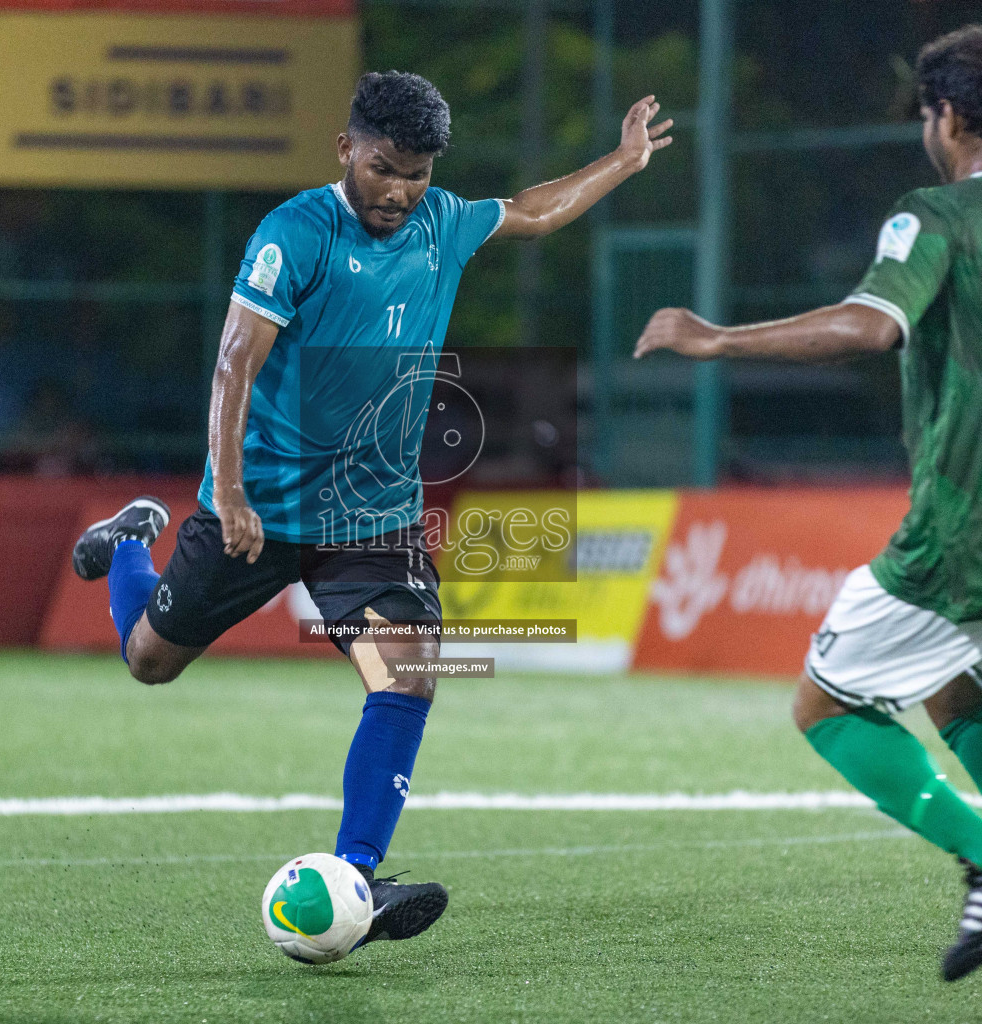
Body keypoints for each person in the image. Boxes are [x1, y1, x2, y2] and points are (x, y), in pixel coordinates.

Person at [634, 25, 982, 1019]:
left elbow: (870, 324)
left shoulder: (935, 214)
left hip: (963, 534)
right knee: (951, 692)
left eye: (927, 116)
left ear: (946, 116)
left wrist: (715, 337)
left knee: (821, 705)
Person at [72, 70, 672, 951]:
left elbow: (533, 211)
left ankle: (358, 877)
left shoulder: (442, 224)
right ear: (345, 149)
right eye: (386, 168)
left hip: (373, 515)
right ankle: (129, 544)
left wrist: (620, 162)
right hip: (261, 508)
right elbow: (235, 362)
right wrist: (230, 490)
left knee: (409, 676)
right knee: (149, 662)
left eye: (419, 173)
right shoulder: (294, 234)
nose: (401, 191)